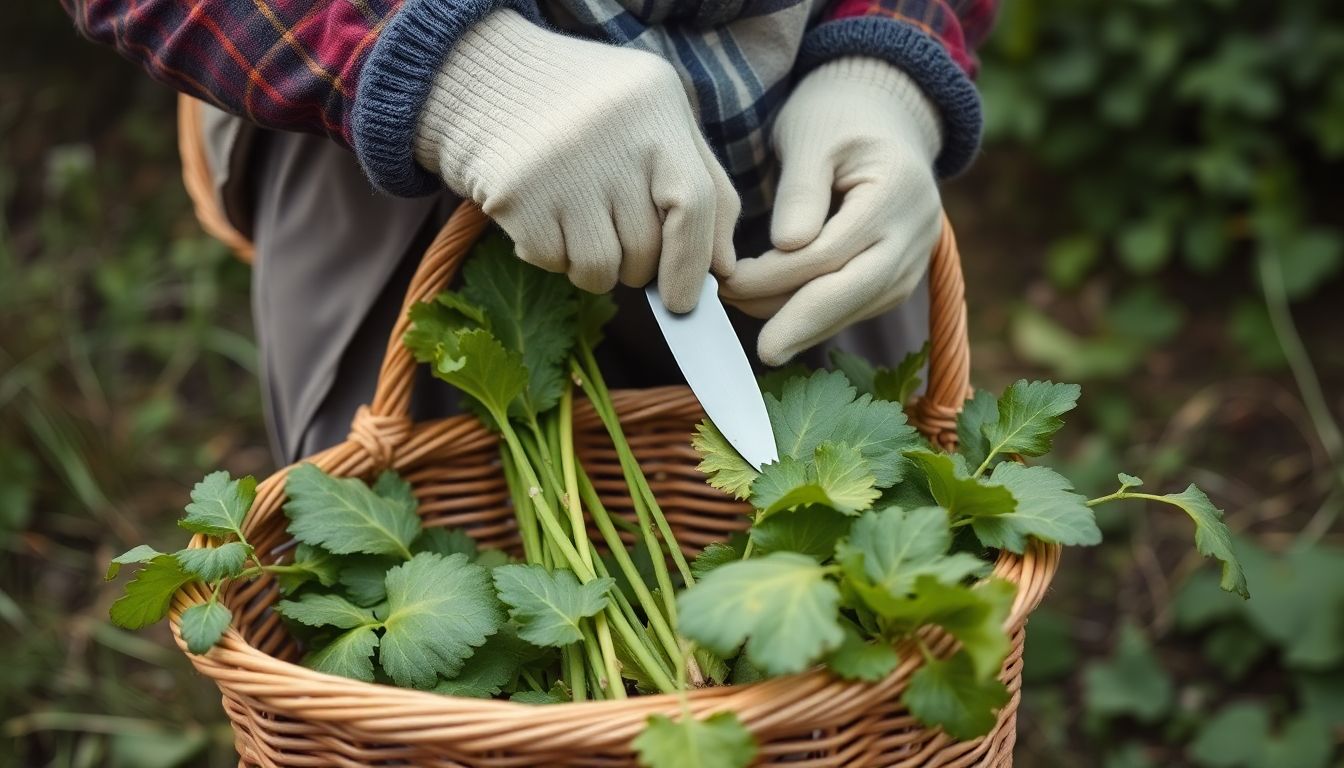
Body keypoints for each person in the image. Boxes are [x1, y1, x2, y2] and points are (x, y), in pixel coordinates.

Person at [62, 0, 995, 464]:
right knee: (421, 665)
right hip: (401, 154)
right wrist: (458, 75)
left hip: (802, 159)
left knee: (870, 561)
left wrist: (886, 61)